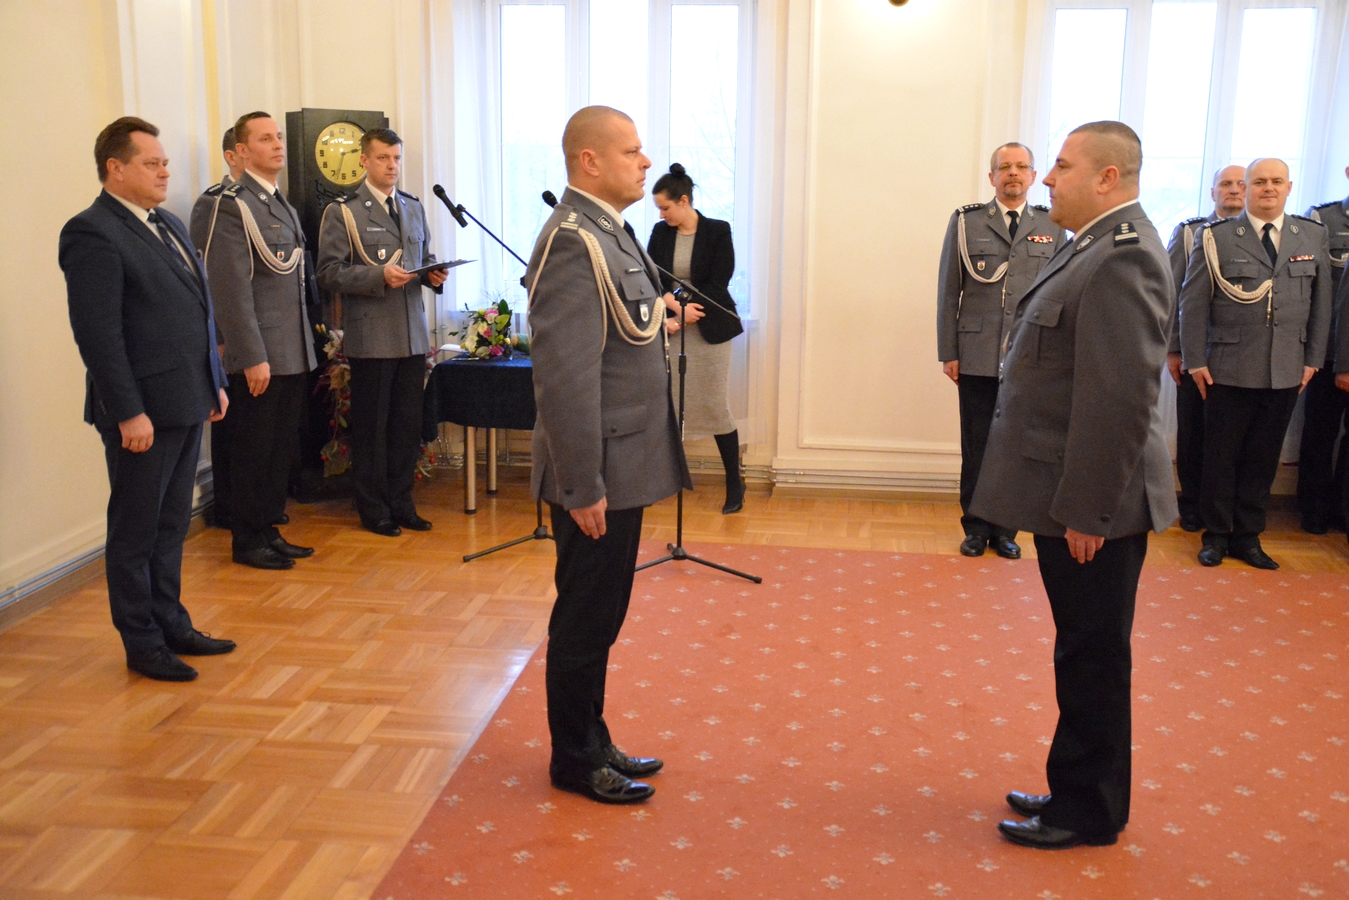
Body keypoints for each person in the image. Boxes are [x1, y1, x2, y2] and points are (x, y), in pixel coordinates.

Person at [972, 121, 1177, 849]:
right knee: (1079, 648)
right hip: (1075, 494)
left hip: (1096, 504)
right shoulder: (1090, 246)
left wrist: (1089, 508)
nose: (1047, 179)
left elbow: (1118, 399)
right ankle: (1072, 785)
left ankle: (1086, 810)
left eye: (1060, 166)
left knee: (1092, 653)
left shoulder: (1122, 257)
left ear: (1107, 179)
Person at [524, 105, 691, 805]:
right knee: (585, 616)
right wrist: (581, 482)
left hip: (622, 460)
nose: (645, 162)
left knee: (603, 612)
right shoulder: (573, 241)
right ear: (589, 161)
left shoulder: (610, 232)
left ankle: (592, 736)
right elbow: (564, 378)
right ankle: (572, 758)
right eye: (631, 151)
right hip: (596, 470)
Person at [59, 116, 237, 682]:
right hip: (140, 413)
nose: (165, 171)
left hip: (186, 399)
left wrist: (214, 383)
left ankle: (173, 624)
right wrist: (129, 411)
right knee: (135, 531)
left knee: (170, 525)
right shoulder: (91, 232)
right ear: (115, 168)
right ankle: (142, 643)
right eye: (152, 163)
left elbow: (200, 312)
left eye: (164, 162)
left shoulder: (166, 223)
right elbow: (99, 336)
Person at [1179, 158, 1332, 569]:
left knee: (1262, 459)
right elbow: (1192, 304)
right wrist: (1195, 360)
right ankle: (1215, 536)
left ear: (1288, 187)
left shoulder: (1311, 235)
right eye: (1259, 181)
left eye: (1276, 181)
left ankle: (1248, 537)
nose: (1268, 188)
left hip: (1286, 366)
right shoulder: (1218, 237)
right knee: (1220, 457)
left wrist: (1312, 360)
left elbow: (1322, 306)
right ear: (1245, 188)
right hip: (1227, 365)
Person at [316, 127, 447, 536]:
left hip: (411, 333)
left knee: (406, 427)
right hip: (371, 336)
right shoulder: (344, 211)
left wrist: (433, 275)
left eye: (396, 159)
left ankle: (402, 502)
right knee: (372, 428)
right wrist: (377, 275)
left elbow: (419, 259)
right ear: (364, 161)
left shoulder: (411, 206)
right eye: (383, 159)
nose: (392, 166)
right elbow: (328, 272)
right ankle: (373, 509)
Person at [936, 142, 1063, 559]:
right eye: (1004, 167)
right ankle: (975, 527)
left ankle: (1006, 529)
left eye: (1021, 167)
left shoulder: (1053, 224)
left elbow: (1060, 294)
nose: (1013, 173)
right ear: (991, 177)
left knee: (1016, 447)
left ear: (1032, 175)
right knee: (977, 446)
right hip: (976, 353)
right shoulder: (966, 222)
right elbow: (948, 290)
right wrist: (948, 350)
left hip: (1030, 356)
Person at [204, 112, 318, 570]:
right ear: (240, 151)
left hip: (290, 348)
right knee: (253, 449)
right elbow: (228, 288)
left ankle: (268, 528)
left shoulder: (275, 201)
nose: (277, 145)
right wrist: (250, 355)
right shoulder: (226, 203)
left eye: (278, 138)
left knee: (278, 448)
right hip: (259, 353)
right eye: (265, 138)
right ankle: (247, 539)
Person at [646, 163, 745, 514]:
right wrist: (673, 309)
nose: (662, 214)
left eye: (665, 207)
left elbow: (720, 280)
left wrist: (687, 311)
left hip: (710, 329)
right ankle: (667, 478)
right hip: (673, 326)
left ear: (684, 201)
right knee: (669, 405)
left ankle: (735, 481)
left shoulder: (718, 230)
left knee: (715, 405)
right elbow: (652, 277)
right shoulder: (660, 233)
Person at [1165, 166, 1247, 533]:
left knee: (1233, 438)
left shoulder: (1261, 237)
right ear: (1213, 192)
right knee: (1194, 432)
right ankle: (1193, 503)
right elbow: (1172, 294)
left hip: (1244, 356)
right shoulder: (1189, 233)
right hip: (1195, 351)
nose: (1234, 190)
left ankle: (1229, 508)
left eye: (1240, 184)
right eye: (1225, 184)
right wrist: (1174, 349)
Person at [190, 127, 245, 531]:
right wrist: (219, 337)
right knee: (235, 428)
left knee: (253, 433)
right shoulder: (215, 203)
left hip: (260, 337)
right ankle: (228, 507)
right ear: (233, 155)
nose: (277, 148)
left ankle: (254, 506)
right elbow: (212, 276)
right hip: (230, 338)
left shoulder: (265, 204)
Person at [1296, 166, 1349, 533]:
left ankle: (1340, 509)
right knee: (1319, 432)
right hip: (1330, 349)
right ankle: (1312, 508)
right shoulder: (1323, 218)